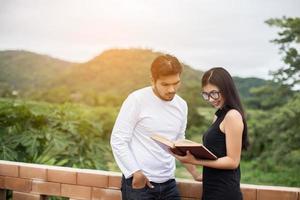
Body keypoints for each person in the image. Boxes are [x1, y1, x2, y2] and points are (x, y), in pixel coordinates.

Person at [110, 54, 201, 200]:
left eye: (176, 83)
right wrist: (136, 172)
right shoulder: (137, 100)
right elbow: (118, 140)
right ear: (153, 81)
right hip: (140, 184)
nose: (172, 89)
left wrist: (195, 173)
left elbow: (179, 142)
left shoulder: (181, 105)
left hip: (169, 183)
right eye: (165, 84)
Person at [173, 67, 249, 200]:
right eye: (206, 94)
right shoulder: (218, 116)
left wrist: (196, 161)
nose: (211, 99)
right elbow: (216, 152)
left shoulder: (233, 116)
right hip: (211, 188)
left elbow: (232, 161)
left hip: (225, 192)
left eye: (214, 93)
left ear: (226, 89)